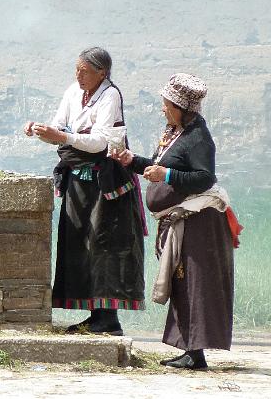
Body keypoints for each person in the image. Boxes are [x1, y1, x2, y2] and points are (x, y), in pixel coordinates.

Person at [113, 73, 241, 370]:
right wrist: (132, 161)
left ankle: (196, 354)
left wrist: (166, 176)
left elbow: (205, 177)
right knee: (182, 282)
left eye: (167, 104)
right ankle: (189, 350)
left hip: (200, 223)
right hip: (184, 222)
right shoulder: (176, 133)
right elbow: (159, 168)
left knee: (194, 282)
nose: (163, 109)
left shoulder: (198, 138)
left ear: (182, 107)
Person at [24, 47, 146, 335]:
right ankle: (95, 315)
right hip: (78, 181)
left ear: (101, 73)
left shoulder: (110, 96)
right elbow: (59, 129)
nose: (78, 75)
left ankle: (108, 318)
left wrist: (62, 136)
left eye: (85, 71)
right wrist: (40, 130)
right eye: (77, 69)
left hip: (106, 186)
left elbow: (100, 143)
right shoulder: (72, 92)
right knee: (81, 242)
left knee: (105, 246)